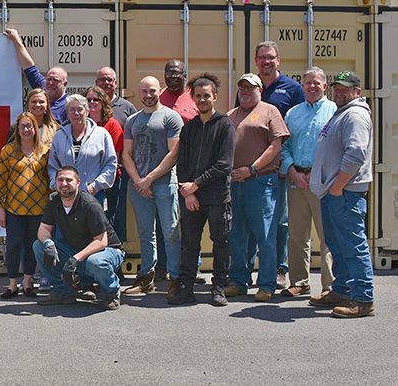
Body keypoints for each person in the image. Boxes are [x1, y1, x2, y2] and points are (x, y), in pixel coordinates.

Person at [308, 71, 375, 318]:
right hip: (336, 192)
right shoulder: (342, 113)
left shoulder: (355, 115)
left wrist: (337, 187)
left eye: (345, 89)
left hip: (345, 193)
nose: (338, 92)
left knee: (352, 245)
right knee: (337, 244)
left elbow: (355, 154)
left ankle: (363, 299)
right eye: (336, 88)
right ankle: (342, 290)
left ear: (358, 92)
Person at [169, 74, 235, 306]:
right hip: (191, 198)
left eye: (206, 95)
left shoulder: (225, 125)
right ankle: (185, 289)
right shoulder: (190, 129)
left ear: (215, 97)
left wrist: (196, 185)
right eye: (198, 96)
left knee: (221, 242)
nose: (202, 99)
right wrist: (188, 192)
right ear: (193, 98)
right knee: (189, 243)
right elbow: (182, 163)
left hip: (217, 197)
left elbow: (224, 164)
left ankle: (218, 288)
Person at [225, 73, 290, 302]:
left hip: (261, 181)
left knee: (265, 235)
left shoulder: (270, 111)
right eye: (242, 87)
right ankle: (238, 281)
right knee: (237, 234)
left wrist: (251, 169)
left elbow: (276, 146)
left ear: (259, 90)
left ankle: (266, 284)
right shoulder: (230, 115)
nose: (245, 91)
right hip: (235, 183)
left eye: (250, 88)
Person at [120, 77, 183, 297]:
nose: (148, 95)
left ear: (159, 91)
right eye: (144, 91)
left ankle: (176, 278)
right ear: (139, 92)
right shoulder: (133, 121)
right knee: (146, 233)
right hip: (139, 187)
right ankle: (147, 276)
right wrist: (138, 180)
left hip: (165, 184)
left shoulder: (170, 117)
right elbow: (126, 154)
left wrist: (150, 179)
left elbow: (174, 154)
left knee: (171, 232)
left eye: (152, 91)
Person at [33, 166, 125, 309]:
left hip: (107, 251)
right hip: (78, 252)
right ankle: (63, 292)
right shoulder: (53, 200)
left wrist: (76, 259)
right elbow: (44, 229)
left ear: (78, 182)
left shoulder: (90, 204)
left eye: (69, 180)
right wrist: (48, 243)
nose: (64, 184)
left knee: (96, 262)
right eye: (60, 180)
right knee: (39, 246)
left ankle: (112, 292)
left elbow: (101, 241)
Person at [280, 67, 336, 298]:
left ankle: (330, 286)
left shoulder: (335, 111)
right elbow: (284, 147)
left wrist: (320, 176)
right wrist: (293, 172)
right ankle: (299, 282)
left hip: (323, 182)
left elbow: (338, 149)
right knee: (297, 235)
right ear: (302, 86)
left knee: (327, 237)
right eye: (307, 83)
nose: (311, 86)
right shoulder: (292, 113)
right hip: (296, 180)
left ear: (325, 86)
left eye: (316, 83)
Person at [253, 41, 305, 290]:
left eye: (270, 57)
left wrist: (291, 164)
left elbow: (301, 126)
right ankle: (257, 267)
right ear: (256, 62)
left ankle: (280, 270)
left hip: (282, 166)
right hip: (254, 168)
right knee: (256, 220)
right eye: (262, 58)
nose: (266, 62)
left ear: (278, 60)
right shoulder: (250, 86)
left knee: (281, 220)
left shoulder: (293, 89)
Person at [0, 112, 50, 299]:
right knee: (14, 245)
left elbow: (49, 178)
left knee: (32, 245)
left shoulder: (45, 151)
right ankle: (11, 284)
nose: (26, 130)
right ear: (17, 130)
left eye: (30, 126)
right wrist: (0, 209)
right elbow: (0, 182)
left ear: (35, 129)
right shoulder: (8, 151)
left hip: (38, 207)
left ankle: (28, 281)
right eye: (23, 126)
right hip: (14, 208)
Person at [47, 94, 117, 207]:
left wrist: (95, 186)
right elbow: (52, 166)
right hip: (64, 196)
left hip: (93, 195)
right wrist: (57, 185)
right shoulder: (59, 136)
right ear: (67, 113)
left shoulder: (102, 134)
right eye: (72, 110)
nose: (76, 113)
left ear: (87, 111)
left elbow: (110, 164)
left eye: (80, 109)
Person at [4, 28, 69, 124]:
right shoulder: (43, 88)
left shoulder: (69, 106)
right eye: (48, 79)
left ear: (65, 83)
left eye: (56, 80)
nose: (50, 83)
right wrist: (16, 40)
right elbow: (29, 67)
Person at [86, 85, 126, 240]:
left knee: (108, 221)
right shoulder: (80, 124)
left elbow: (114, 158)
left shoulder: (112, 125)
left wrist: (98, 183)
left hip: (109, 183)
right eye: (88, 100)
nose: (92, 103)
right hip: (86, 183)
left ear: (103, 102)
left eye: (96, 99)